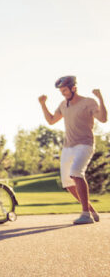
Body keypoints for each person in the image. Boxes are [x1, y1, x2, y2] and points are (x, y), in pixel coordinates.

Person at [38, 76, 107, 224]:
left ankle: (85, 214)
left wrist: (100, 97)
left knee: (76, 173)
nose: (63, 93)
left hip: (85, 144)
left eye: (65, 90)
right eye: (61, 91)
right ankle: (90, 210)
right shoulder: (63, 105)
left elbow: (103, 118)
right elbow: (51, 120)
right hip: (68, 147)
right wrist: (43, 104)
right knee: (67, 183)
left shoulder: (88, 102)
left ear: (73, 88)